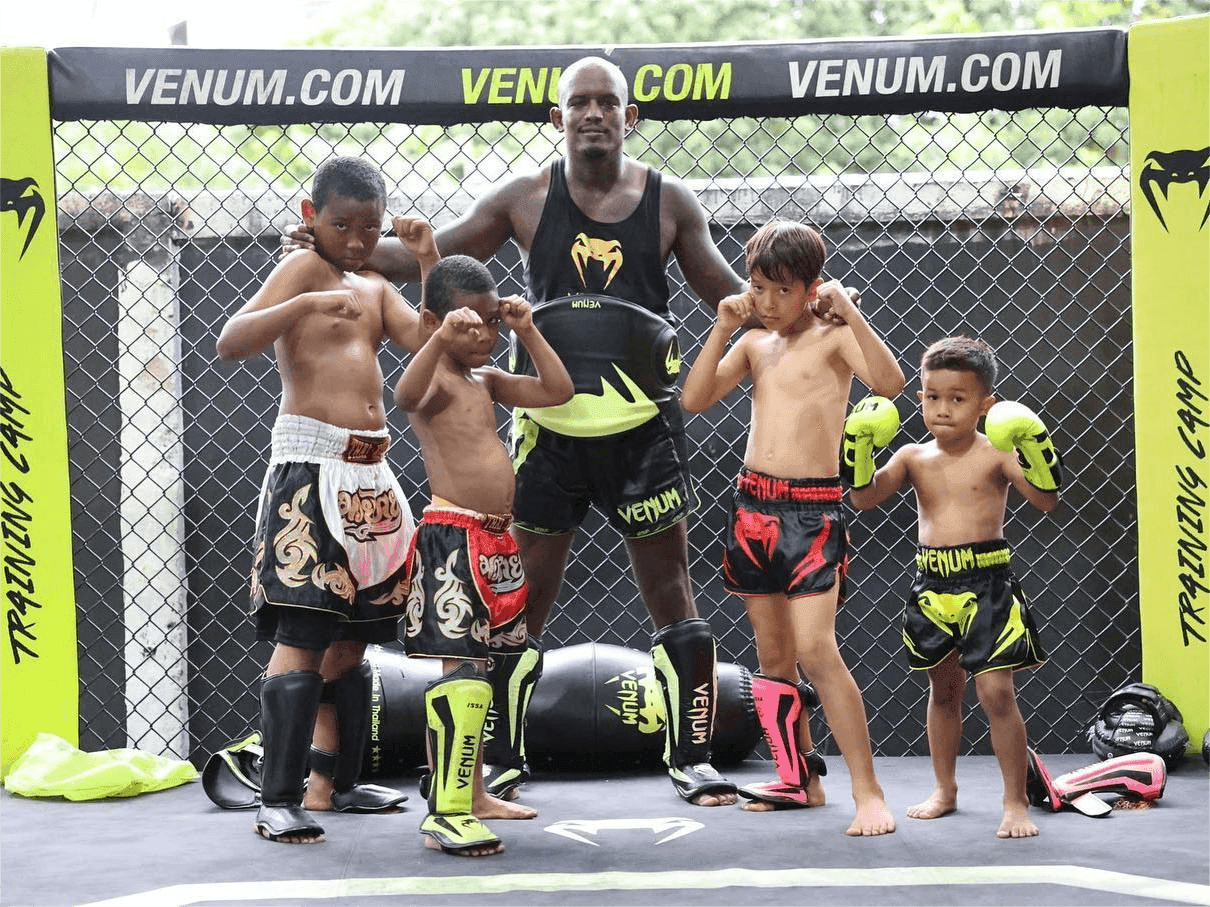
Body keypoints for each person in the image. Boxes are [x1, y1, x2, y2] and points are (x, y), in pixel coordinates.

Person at [284, 55, 779, 806]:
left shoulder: (670, 201)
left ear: (629, 116)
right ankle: (501, 761)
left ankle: (695, 756)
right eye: (577, 102)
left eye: (605, 102)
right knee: (517, 601)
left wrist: (801, 306)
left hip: (643, 426)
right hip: (547, 425)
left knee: (672, 589)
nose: (591, 113)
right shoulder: (523, 198)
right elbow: (439, 252)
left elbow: (729, 293)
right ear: (556, 118)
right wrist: (330, 245)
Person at [215, 157, 433, 844]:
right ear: (312, 218)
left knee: (353, 641)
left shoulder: (374, 285)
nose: (360, 240)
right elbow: (230, 340)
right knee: (304, 632)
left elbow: (430, 345)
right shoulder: (303, 271)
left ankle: (330, 783)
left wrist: (427, 261)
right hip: (310, 468)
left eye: (371, 227)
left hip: (372, 476)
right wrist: (305, 302)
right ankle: (278, 797)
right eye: (343, 225)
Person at [680, 218, 903, 836]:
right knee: (775, 657)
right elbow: (695, 399)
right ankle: (797, 779)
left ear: (812, 287)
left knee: (816, 650)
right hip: (753, 507)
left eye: (784, 291)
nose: (769, 303)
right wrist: (724, 325)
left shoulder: (833, 338)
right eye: (759, 289)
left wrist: (850, 313)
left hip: (813, 511)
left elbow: (890, 383)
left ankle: (868, 791)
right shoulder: (754, 343)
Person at [846, 335, 1062, 838]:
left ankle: (1014, 801)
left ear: (986, 405)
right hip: (932, 584)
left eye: (958, 398)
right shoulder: (912, 457)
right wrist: (856, 444)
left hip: (988, 583)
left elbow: (1046, 500)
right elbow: (864, 498)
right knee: (943, 693)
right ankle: (945, 789)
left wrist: (1035, 445)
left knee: (997, 693)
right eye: (931, 396)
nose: (942, 409)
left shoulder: (997, 455)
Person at [394, 251, 573, 856]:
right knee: (461, 673)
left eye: (490, 323)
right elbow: (404, 394)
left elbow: (558, 389)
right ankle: (445, 811)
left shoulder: (489, 381)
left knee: (489, 669)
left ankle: (470, 794)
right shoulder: (437, 381)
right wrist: (437, 338)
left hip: (497, 539)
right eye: (467, 325)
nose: (482, 335)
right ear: (436, 322)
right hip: (453, 535)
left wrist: (527, 329)